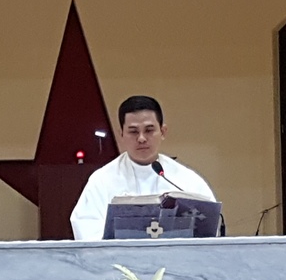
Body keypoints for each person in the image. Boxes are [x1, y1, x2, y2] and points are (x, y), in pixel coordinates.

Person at [70, 95, 216, 241]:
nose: (141, 138)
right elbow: (87, 232)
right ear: (121, 134)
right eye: (133, 131)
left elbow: (209, 229)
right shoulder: (102, 181)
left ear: (163, 132)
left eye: (149, 130)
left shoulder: (186, 181)